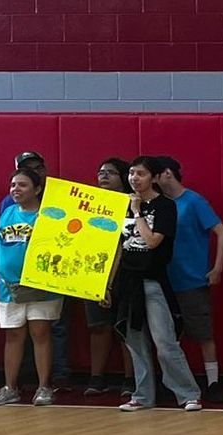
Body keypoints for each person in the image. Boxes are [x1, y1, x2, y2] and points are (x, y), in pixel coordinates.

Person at [112, 157, 203, 412]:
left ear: (153, 178)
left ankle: (188, 393)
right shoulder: (122, 205)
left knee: (164, 342)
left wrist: (138, 212)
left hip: (153, 281)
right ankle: (142, 396)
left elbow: (152, 241)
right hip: (128, 282)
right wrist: (108, 284)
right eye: (131, 173)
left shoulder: (165, 206)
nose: (134, 178)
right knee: (135, 342)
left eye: (140, 173)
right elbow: (118, 248)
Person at [151, 156, 223, 404]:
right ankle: (172, 382)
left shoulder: (194, 201)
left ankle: (213, 382)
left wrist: (217, 268)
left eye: (155, 174)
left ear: (167, 174)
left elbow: (222, 232)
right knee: (168, 336)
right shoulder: (159, 204)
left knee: (203, 332)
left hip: (192, 279)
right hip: (165, 279)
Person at [0, 169, 63, 407]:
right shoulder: (8, 212)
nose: (16, 189)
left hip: (41, 285)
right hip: (8, 286)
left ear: (37, 189)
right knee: (13, 335)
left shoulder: (49, 215)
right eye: (13, 185)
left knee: (40, 333)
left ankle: (44, 387)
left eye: (23, 185)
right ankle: (10, 388)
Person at [83, 158, 133, 397]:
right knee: (98, 326)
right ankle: (97, 377)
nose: (103, 175)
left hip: (125, 274)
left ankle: (131, 378)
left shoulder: (133, 204)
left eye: (110, 172)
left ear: (123, 177)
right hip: (94, 272)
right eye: (101, 171)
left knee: (126, 328)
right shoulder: (89, 204)